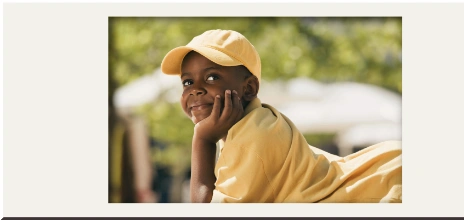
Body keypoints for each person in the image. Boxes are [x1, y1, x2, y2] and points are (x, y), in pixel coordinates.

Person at [161, 29, 403, 203]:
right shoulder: (256, 122)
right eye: (187, 81)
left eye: (212, 77)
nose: (195, 89)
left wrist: (202, 140)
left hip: (385, 189)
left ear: (249, 89)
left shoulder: (253, 138)